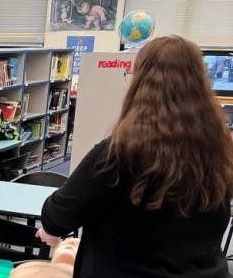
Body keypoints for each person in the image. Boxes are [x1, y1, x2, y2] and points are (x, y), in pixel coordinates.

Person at [37, 36, 233, 278]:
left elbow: (59, 214)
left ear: (140, 85)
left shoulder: (119, 153)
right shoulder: (221, 152)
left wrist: (50, 228)